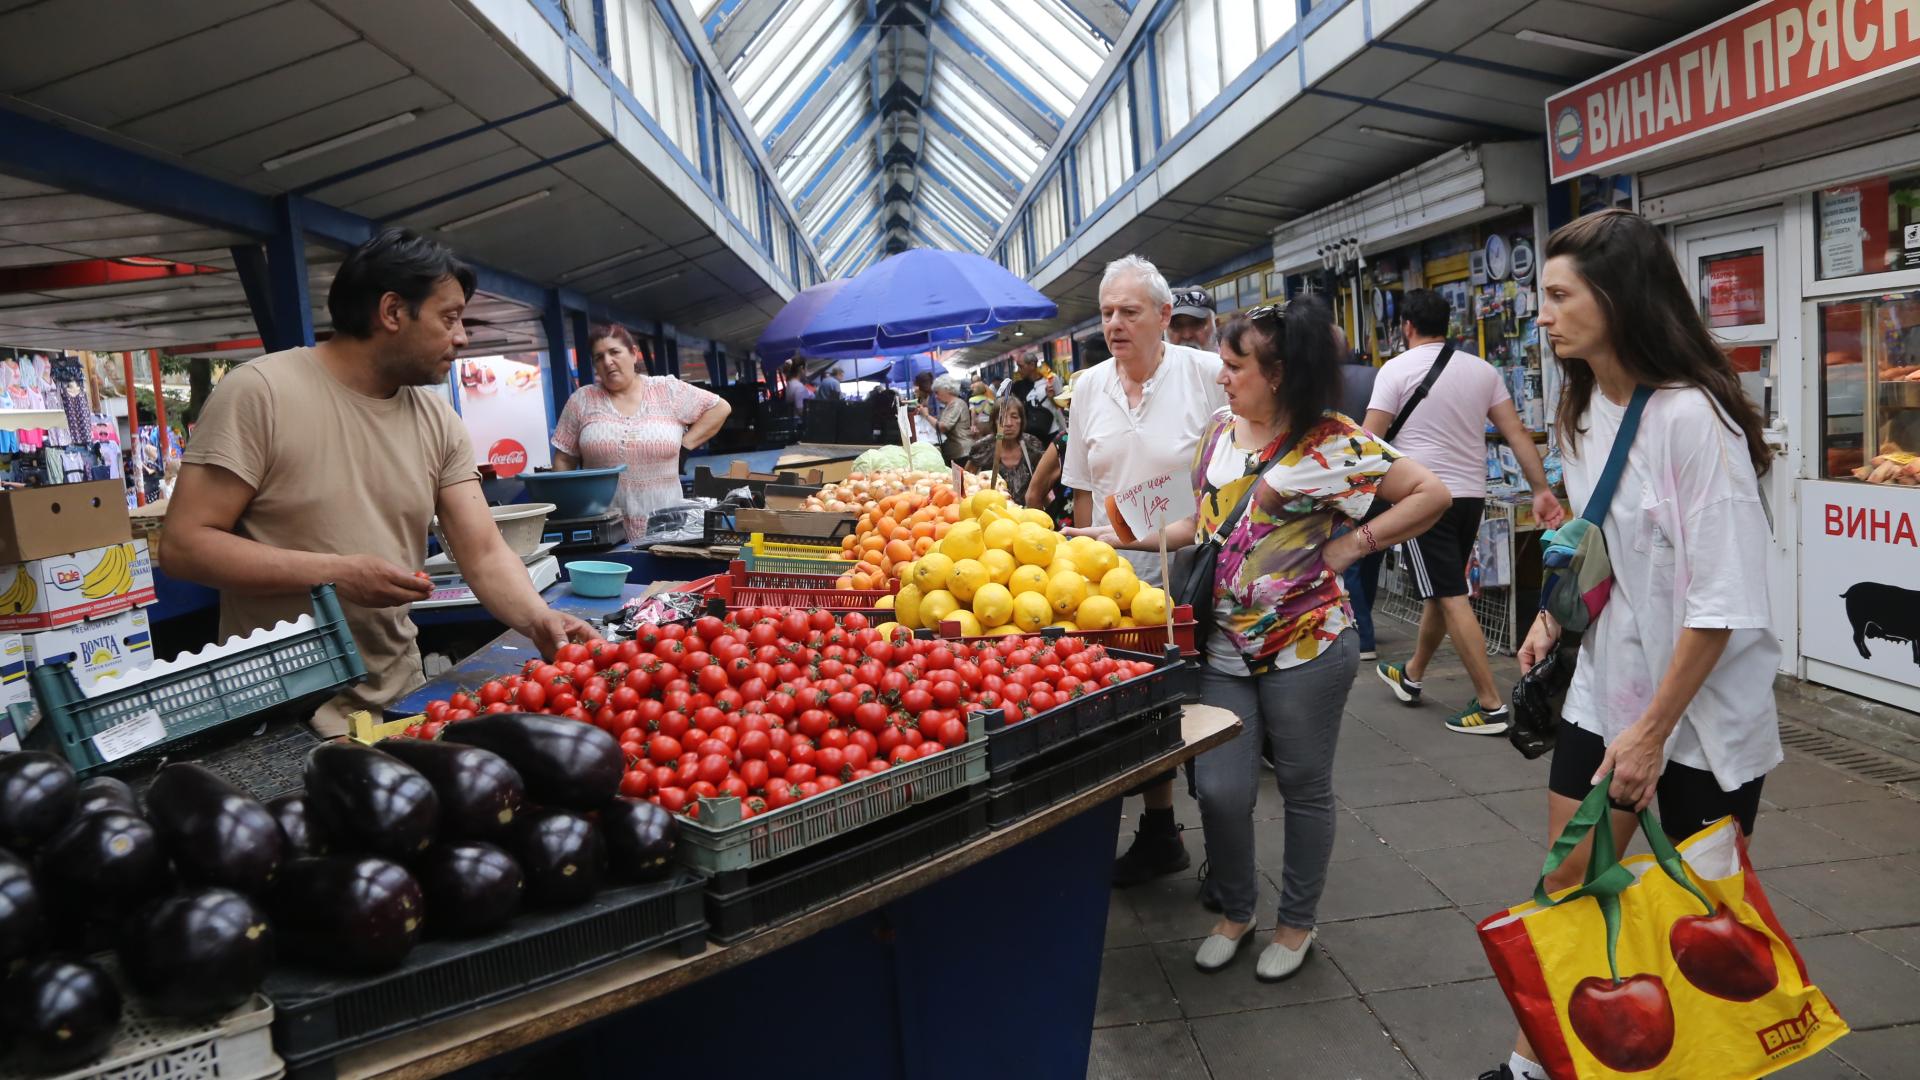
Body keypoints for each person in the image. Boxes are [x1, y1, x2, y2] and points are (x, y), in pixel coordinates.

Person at [1481, 208, 1783, 1080]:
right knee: (1569, 877)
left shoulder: (1696, 422)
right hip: (1603, 690)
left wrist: (1652, 733)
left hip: (1696, 720)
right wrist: (1555, 613)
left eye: (1559, 294)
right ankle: (1537, 1062)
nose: (1542, 314)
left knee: (1707, 925)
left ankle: (1721, 1060)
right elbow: (1599, 539)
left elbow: (1722, 604)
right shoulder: (1580, 413)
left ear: (1617, 297)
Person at [1074, 299, 1448, 979]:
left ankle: (1296, 923)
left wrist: (1352, 546)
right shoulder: (1219, 430)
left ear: (1277, 373)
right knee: (1218, 788)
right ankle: (1237, 909)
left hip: (1308, 646)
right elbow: (1205, 525)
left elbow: (1430, 493)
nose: (1221, 377)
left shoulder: (1334, 441)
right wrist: (1108, 537)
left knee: (1305, 789)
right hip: (1221, 647)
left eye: (1234, 364)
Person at [162, 228, 592, 737]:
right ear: (391, 312)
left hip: (396, 699)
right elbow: (184, 546)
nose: (462, 337)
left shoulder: (438, 421)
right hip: (279, 711)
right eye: (449, 318)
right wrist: (335, 573)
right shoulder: (260, 393)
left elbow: (482, 552)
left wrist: (538, 619)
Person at [1064, 254, 1228, 887]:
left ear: (1164, 316)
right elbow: (1082, 487)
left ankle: (1225, 856)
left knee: (1208, 713)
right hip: (1117, 587)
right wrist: (1076, 568)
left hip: (1198, 573)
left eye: (1129, 312)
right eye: (1106, 313)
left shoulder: (1210, 374)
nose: (1114, 324)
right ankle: (1160, 834)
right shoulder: (1087, 388)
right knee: (1140, 713)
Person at [1364, 289, 1565, 735]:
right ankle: (1413, 673)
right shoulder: (1482, 370)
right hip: (1471, 497)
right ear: (1450, 327)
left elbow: (1366, 442)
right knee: (1445, 587)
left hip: (1421, 497)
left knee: (1450, 594)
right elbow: (1515, 433)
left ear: (1406, 327)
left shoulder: (1394, 370)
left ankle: (1491, 706)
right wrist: (1540, 490)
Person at [551, 324, 732, 539]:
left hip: (666, 528)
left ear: (634, 354)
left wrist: (686, 445)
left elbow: (720, 408)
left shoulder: (666, 390)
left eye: (614, 352)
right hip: (605, 532)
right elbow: (563, 459)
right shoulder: (582, 400)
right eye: (599, 357)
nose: (607, 361)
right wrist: (572, 508)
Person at [1332, 316, 1382, 661]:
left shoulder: (1320, 383)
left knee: (1348, 559)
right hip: (1383, 477)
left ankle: (1363, 634)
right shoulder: (1377, 376)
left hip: (1342, 483)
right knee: (1372, 551)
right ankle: (1366, 616)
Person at [971, 396, 1046, 502]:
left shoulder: (1032, 444)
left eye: (1014, 417)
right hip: (992, 512)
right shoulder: (982, 447)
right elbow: (966, 480)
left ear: (1022, 420)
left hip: (1028, 514)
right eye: (1002, 418)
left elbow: (1045, 481)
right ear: (994, 421)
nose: (1008, 423)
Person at [923, 375, 973, 463]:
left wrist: (926, 415)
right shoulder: (951, 404)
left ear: (946, 390)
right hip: (958, 451)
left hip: (961, 451)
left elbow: (943, 426)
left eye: (937, 392)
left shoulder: (956, 404)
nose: (936, 396)